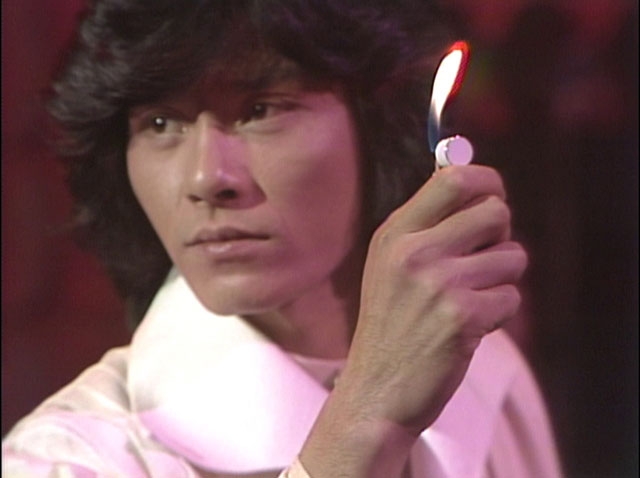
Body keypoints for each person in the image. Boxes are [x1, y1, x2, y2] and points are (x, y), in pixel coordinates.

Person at [2, 1, 563, 477]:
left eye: (260, 110)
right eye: (160, 123)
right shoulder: (68, 456)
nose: (207, 177)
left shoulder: (487, 370)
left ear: (376, 124)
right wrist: (367, 420)